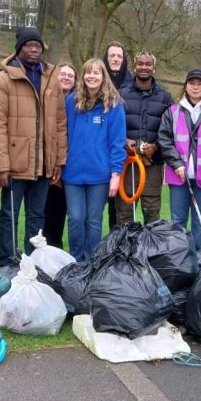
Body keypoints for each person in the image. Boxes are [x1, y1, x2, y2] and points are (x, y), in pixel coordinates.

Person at [0, 27, 68, 267]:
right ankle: (8, 260)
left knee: (37, 216)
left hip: (44, 162)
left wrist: (58, 161)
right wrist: (1, 167)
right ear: (19, 48)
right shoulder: (3, 79)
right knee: (10, 214)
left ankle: (33, 261)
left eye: (37, 45)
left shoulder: (50, 77)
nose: (34, 49)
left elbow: (60, 122)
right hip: (15, 162)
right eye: (28, 45)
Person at [158, 68, 201, 252]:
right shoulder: (172, 112)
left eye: (200, 84)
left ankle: (198, 259)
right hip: (178, 177)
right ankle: (179, 258)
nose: (195, 87)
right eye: (192, 83)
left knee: (200, 220)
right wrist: (176, 163)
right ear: (186, 86)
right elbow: (165, 140)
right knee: (178, 219)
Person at [63, 59, 127, 260]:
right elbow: (63, 135)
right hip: (72, 174)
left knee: (93, 221)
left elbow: (118, 142)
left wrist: (115, 174)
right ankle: (75, 261)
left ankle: (92, 262)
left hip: (100, 175)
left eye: (96, 73)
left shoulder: (114, 106)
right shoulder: (71, 102)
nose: (92, 76)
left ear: (103, 77)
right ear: (82, 76)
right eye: (88, 73)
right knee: (75, 218)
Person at [115, 51, 173, 225]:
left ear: (154, 68)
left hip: (153, 164)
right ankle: (124, 250)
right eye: (140, 64)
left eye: (148, 64)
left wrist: (156, 146)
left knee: (152, 213)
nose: (144, 67)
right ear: (134, 66)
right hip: (127, 162)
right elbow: (112, 126)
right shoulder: (120, 94)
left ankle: (149, 252)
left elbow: (171, 131)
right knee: (125, 212)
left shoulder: (165, 97)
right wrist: (123, 140)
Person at [42, 62, 77, 248]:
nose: (66, 77)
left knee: (58, 212)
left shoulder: (77, 104)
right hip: (45, 163)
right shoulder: (46, 99)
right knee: (40, 211)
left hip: (67, 166)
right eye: (62, 74)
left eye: (70, 75)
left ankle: (55, 250)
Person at [103, 41, 133, 228]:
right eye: (112, 55)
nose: (115, 59)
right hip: (98, 151)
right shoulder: (97, 81)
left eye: (119, 56)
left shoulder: (131, 84)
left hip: (121, 150)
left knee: (119, 205)